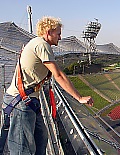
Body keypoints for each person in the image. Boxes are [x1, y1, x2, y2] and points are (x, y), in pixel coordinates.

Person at [2, 16, 93, 155]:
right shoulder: (41, 45)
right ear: (48, 32)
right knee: (23, 149)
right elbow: (59, 75)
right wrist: (79, 98)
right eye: (58, 33)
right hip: (21, 102)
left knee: (41, 139)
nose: (60, 37)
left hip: (28, 101)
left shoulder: (38, 44)